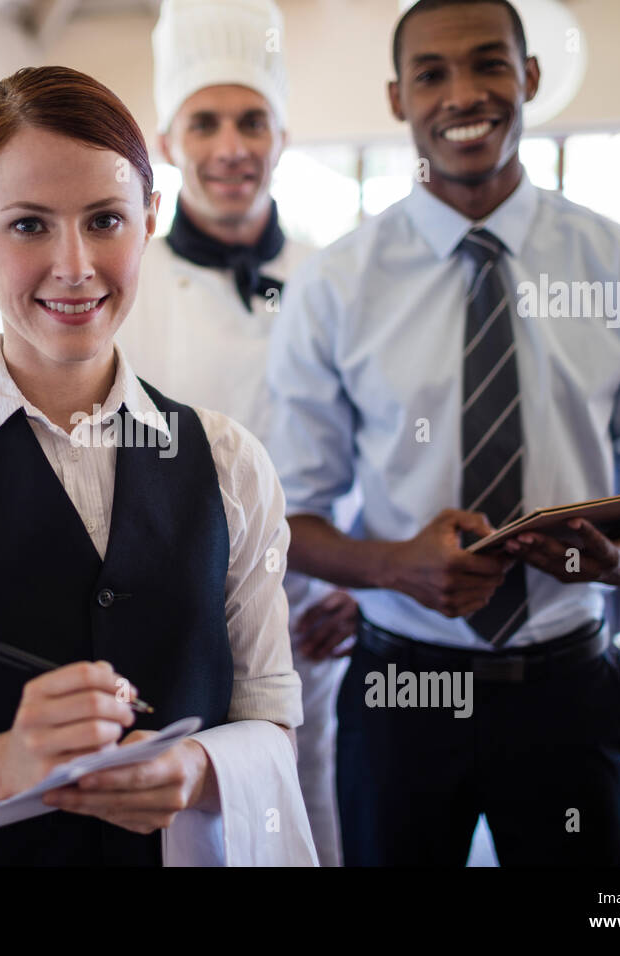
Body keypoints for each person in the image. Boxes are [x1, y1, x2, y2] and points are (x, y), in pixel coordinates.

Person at [0, 65, 315, 867]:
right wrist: (5, 766)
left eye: (106, 220)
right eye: (30, 226)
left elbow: (272, 722)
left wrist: (197, 765)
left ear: (149, 220)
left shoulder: (231, 463)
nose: (75, 265)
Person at [266, 0, 620, 866]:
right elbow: (283, 520)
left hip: (571, 685)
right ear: (398, 97)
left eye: (489, 63)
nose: (464, 93)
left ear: (528, 76)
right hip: (399, 693)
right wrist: (396, 567)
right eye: (432, 72)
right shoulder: (335, 287)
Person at [115, 0, 355, 866]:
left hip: (311, 612)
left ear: (281, 134)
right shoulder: (126, 280)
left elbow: (383, 445)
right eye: (205, 122)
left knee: (303, 803)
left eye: (252, 120)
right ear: (170, 142)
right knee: (176, 822)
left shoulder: (331, 272)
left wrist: (364, 583)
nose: (231, 146)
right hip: (165, 614)